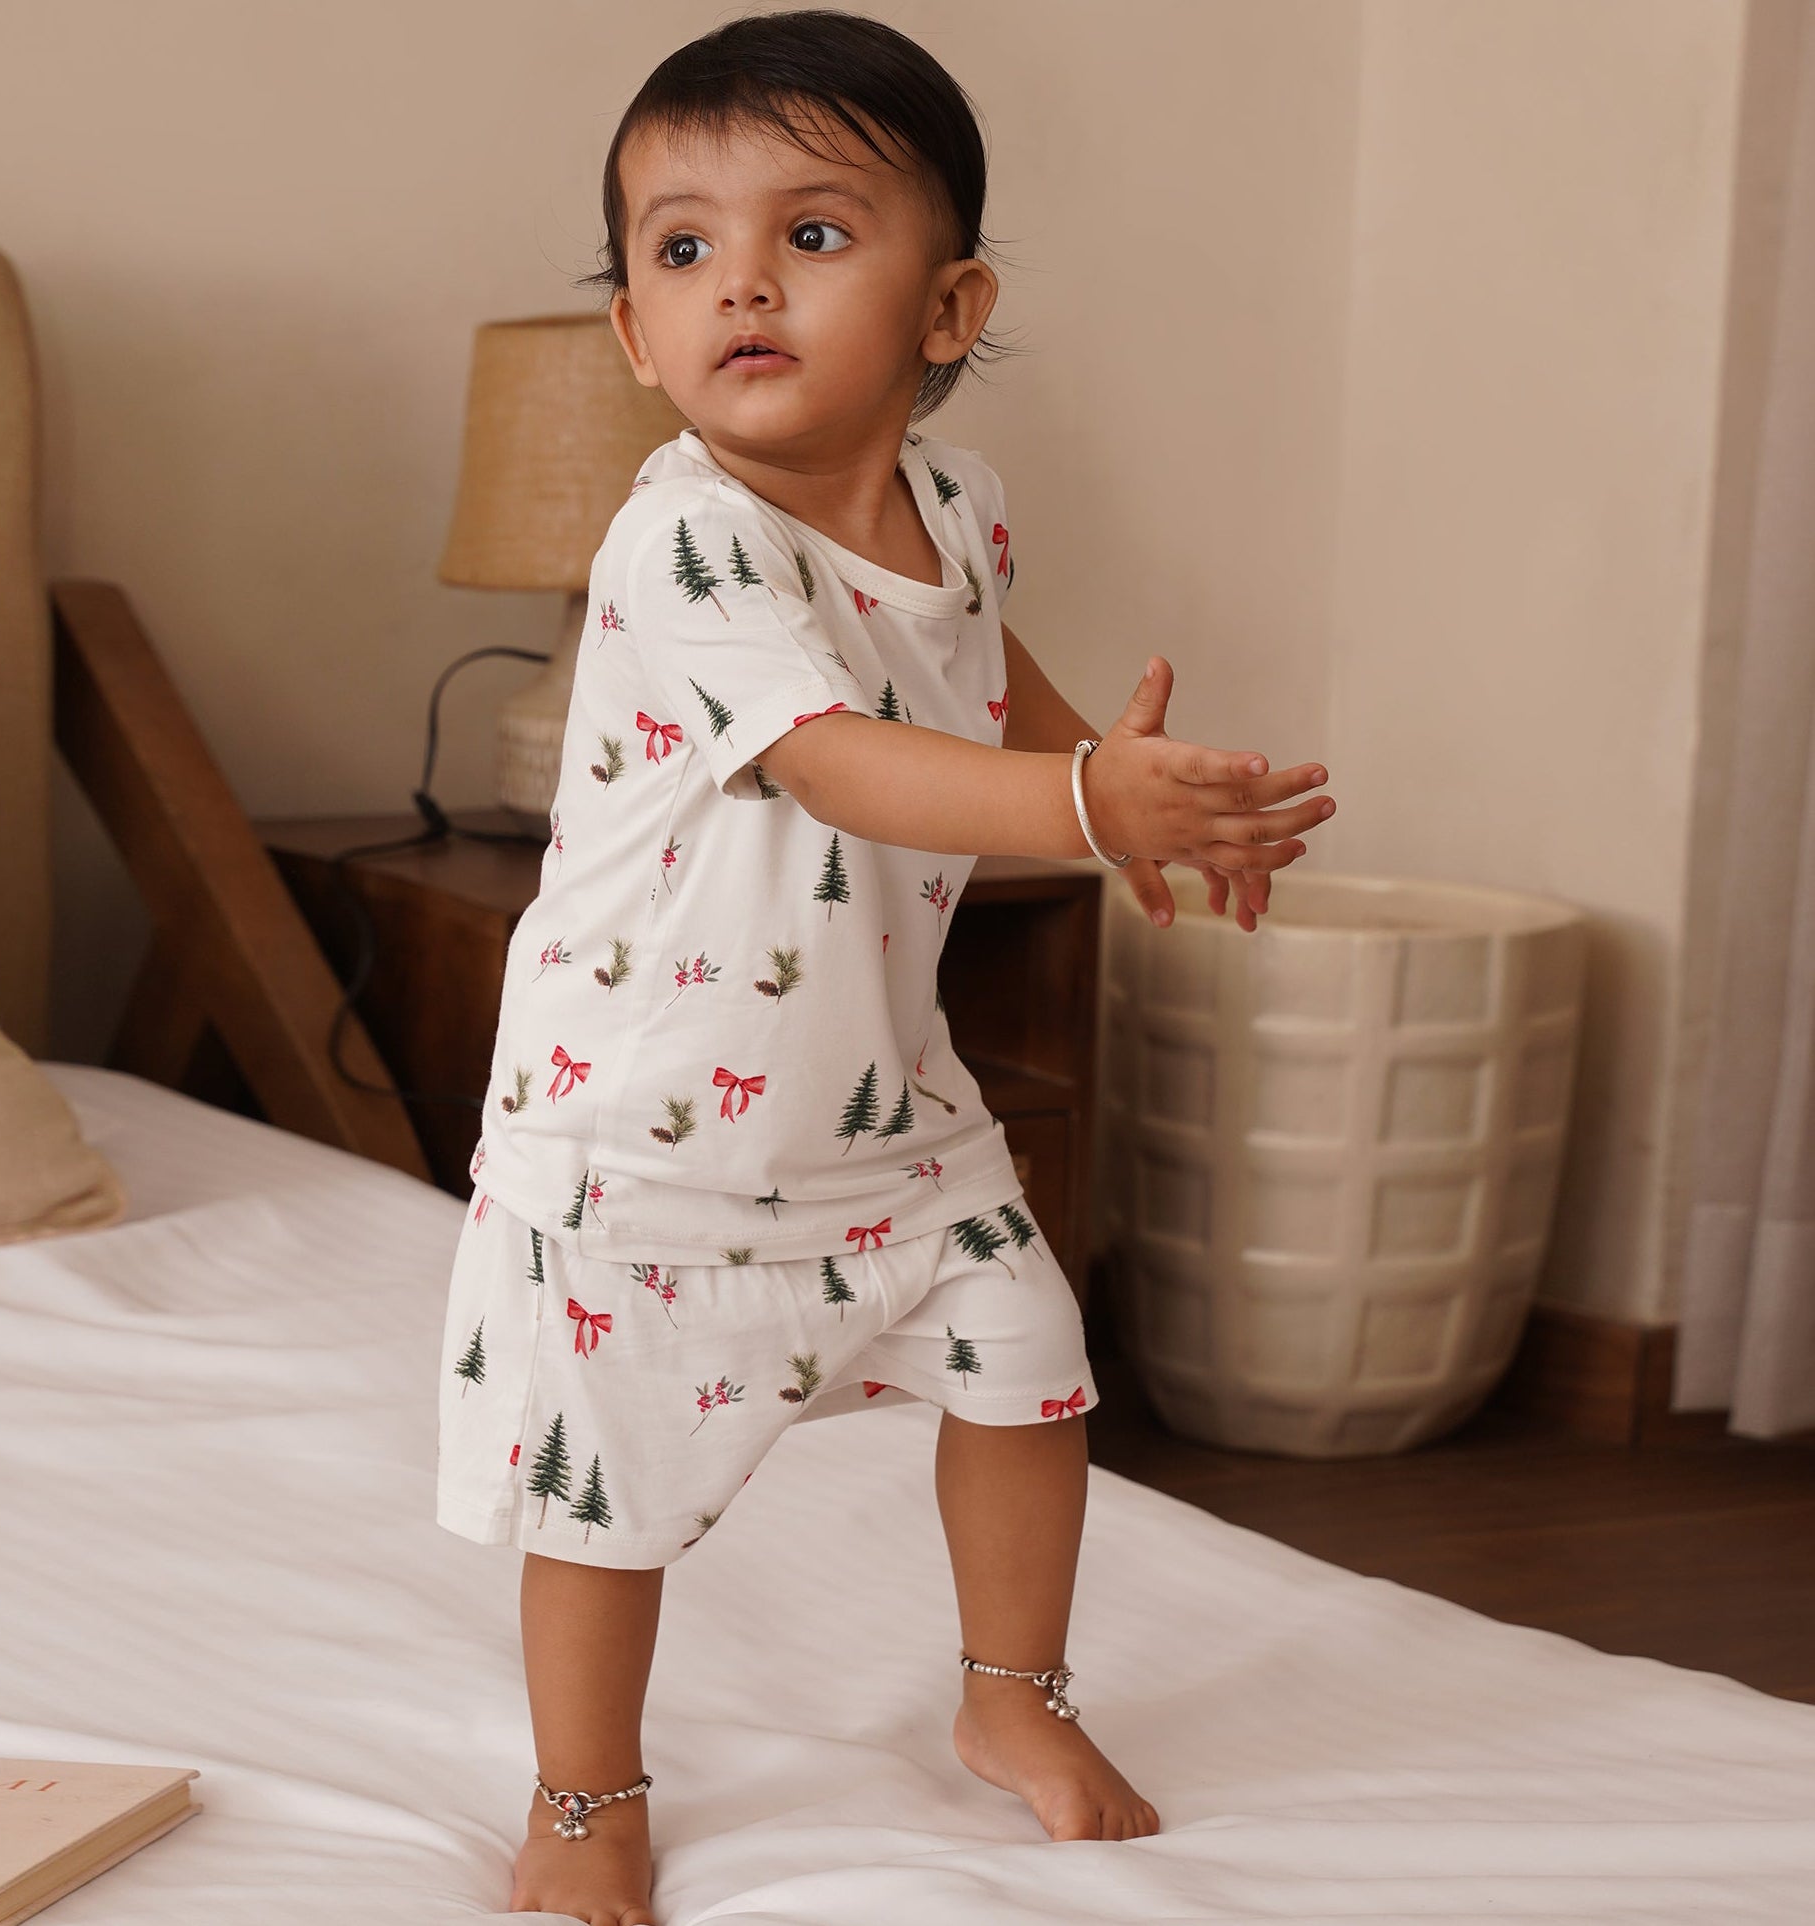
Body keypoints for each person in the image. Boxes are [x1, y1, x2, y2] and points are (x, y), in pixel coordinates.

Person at [435, 11, 1336, 1920]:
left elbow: (984, 682)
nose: (741, 282)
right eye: (683, 248)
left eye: (814, 234)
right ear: (635, 332)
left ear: (949, 307)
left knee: (1031, 1371)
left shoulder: (964, 505)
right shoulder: (685, 543)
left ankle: (1011, 1693)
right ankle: (586, 1794)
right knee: (607, 1488)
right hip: (645, 1123)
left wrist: (1139, 798)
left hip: (880, 1104)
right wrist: (1080, 805)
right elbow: (837, 757)